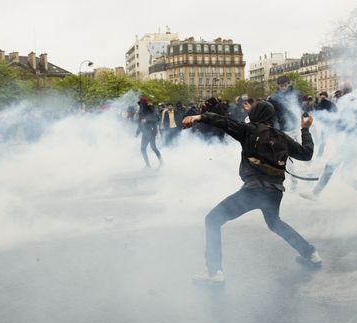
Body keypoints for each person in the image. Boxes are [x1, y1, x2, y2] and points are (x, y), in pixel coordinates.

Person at [182, 101, 321, 284]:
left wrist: (198, 117)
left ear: (255, 114)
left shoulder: (249, 130)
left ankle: (214, 273)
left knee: (212, 219)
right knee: (274, 223)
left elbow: (222, 121)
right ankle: (311, 254)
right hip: (275, 192)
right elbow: (306, 153)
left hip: (254, 190)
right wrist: (305, 129)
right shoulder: (281, 137)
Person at [135, 96, 163, 168]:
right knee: (142, 149)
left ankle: (161, 162)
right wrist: (137, 132)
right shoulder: (141, 111)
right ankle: (148, 165)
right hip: (144, 132)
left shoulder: (151, 108)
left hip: (151, 131)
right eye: (140, 104)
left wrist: (147, 120)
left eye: (141, 103)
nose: (140, 105)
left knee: (153, 147)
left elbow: (157, 119)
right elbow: (140, 122)